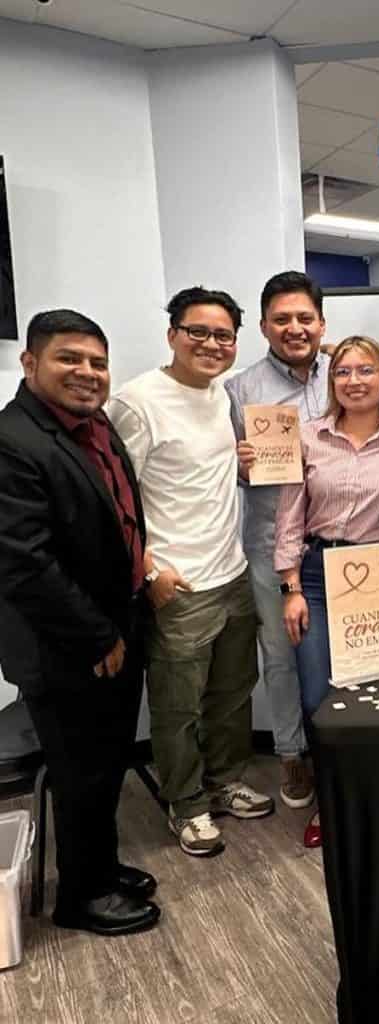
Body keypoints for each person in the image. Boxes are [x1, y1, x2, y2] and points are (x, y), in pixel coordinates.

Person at [0, 310, 159, 935]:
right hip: (71, 646)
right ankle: (81, 898)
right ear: (30, 363)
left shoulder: (93, 427)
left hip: (116, 627)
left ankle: (100, 866)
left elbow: (117, 518)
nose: (87, 372)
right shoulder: (13, 441)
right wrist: (97, 636)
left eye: (97, 361)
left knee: (105, 763)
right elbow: (23, 563)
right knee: (80, 771)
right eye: (70, 358)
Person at [108, 287, 273, 858]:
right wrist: (149, 570)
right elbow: (112, 498)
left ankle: (224, 782)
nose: (210, 344)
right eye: (197, 332)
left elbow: (208, 476)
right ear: (172, 333)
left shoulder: (222, 397)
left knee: (231, 695)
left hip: (231, 572)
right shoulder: (137, 401)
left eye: (223, 335)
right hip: (179, 584)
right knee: (177, 706)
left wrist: (243, 462)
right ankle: (186, 804)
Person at [275, 335, 379, 846]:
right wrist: (290, 586)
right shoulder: (309, 438)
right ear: (331, 382)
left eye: (366, 370)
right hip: (318, 575)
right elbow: (290, 517)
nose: (354, 381)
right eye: (343, 372)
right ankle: (331, 802)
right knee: (320, 698)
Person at [227, 271, 329, 813]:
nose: (295, 327)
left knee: (352, 647)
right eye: (282, 319)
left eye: (304, 318)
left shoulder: (349, 374)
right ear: (265, 326)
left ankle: (344, 748)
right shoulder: (241, 390)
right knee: (282, 654)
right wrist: (240, 466)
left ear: (321, 323)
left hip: (338, 543)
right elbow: (226, 473)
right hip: (270, 545)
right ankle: (292, 752)